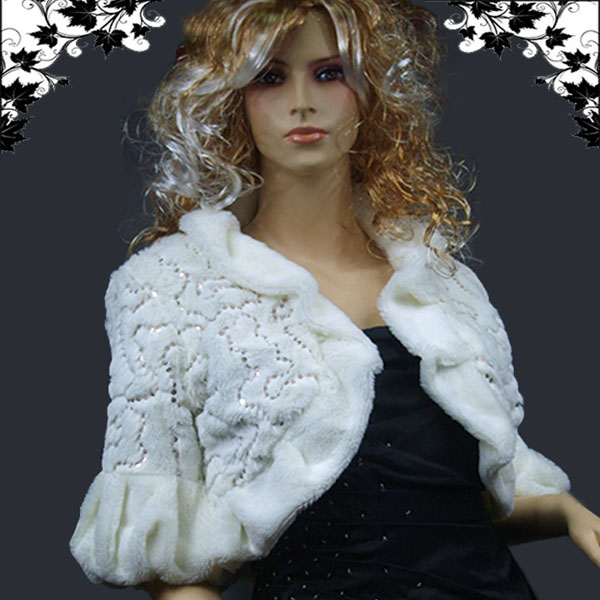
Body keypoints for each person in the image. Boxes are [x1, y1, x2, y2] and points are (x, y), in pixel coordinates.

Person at [70, 1, 600, 599]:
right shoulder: (167, 288)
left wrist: (565, 511)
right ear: (232, 97)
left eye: (330, 73)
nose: (303, 101)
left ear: (372, 92)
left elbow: (464, 501)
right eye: (270, 77)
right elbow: (168, 563)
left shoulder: (441, 283)